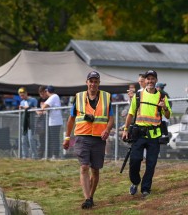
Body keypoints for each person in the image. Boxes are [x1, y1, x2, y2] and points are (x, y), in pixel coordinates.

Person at [63, 71, 114, 209]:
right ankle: (86, 199)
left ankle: (91, 197)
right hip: (82, 137)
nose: (93, 84)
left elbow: (111, 118)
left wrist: (107, 130)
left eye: (95, 81)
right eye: (91, 81)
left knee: (95, 170)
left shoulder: (106, 97)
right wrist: (67, 137)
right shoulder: (79, 97)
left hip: (99, 138)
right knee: (84, 166)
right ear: (87, 83)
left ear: (99, 83)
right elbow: (71, 119)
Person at [122, 70, 172, 198]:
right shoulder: (138, 96)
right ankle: (135, 182)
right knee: (134, 160)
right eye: (147, 79)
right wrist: (126, 129)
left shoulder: (162, 97)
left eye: (152, 79)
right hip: (138, 134)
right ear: (145, 81)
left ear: (156, 80)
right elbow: (131, 114)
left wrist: (164, 107)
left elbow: (168, 115)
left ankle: (145, 189)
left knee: (151, 163)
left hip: (154, 136)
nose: (150, 81)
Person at [41, 85, 63, 159]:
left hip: (55, 121)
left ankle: (55, 155)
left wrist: (43, 105)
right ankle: (51, 155)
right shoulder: (54, 97)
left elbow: (43, 107)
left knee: (54, 139)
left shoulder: (53, 96)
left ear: (47, 91)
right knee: (52, 138)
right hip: (53, 121)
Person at [18, 87, 38, 159]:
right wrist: (21, 108)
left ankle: (34, 156)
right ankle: (25, 156)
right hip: (24, 123)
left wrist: (28, 108)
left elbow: (35, 108)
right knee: (23, 140)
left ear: (26, 93)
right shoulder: (22, 102)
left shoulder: (33, 100)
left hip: (31, 122)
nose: (22, 97)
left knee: (31, 139)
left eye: (23, 95)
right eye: (20, 96)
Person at [36, 86, 48, 158]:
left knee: (49, 138)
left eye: (43, 93)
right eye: (41, 94)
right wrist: (38, 112)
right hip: (41, 121)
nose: (42, 95)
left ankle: (49, 154)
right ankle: (40, 155)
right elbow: (37, 109)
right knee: (41, 139)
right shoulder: (39, 100)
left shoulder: (49, 98)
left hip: (48, 120)